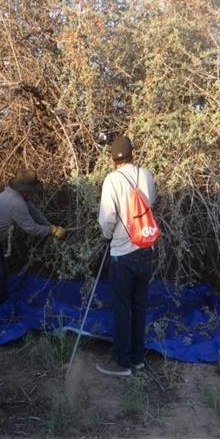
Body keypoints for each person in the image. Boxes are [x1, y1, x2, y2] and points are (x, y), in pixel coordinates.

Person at [96, 136, 157, 376]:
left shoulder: (112, 180)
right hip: (145, 250)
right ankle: (138, 358)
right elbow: (150, 202)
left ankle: (123, 363)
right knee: (139, 306)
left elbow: (107, 217)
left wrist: (107, 235)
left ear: (112, 158)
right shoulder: (146, 175)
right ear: (133, 153)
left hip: (122, 252)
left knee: (122, 308)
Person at [0, 168, 66, 315]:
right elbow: (31, 228)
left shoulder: (16, 194)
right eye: (32, 192)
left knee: (0, 272)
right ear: (26, 191)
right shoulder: (16, 203)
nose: (34, 194)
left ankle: (0, 304)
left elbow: (34, 212)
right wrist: (51, 231)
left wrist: (50, 226)